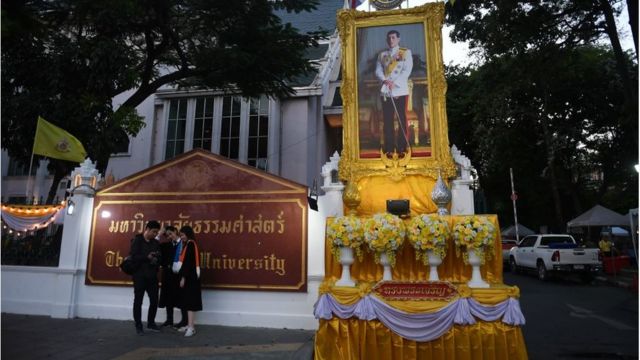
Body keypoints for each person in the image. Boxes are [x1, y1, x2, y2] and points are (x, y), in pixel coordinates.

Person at [375, 29, 413, 157]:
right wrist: (385, 80)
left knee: (401, 118)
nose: (391, 40)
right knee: (388, 120)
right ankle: (389, 147)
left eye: (393, 38)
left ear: (398, 39)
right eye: (389, 38)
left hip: (400, 91)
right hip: (386, 91)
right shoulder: (382, 55)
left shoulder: (405, 53)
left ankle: (402, 147)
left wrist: (394, 83)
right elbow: (378, 70)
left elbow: (406, 71)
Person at [129, 220, 162, 335]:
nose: (155, 234)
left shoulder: (155, 243)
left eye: (157, 232)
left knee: (154, 300)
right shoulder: (137, 240)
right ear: (147, 229)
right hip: (139, 276)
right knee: (138, 301)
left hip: (152, 276)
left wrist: (156, 260)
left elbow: (159, 256)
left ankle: (151, 323)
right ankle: (138, 325)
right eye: (153, 231)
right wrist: (147, 257)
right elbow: (133, 256)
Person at [158, 226, 188, 329]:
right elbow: (154, 245)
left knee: (182, 297)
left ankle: (184, 320)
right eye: (168, 235)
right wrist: (159, 235)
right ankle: (169, 320)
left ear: (176, 232)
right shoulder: (166, 245)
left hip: (179, 275)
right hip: (168, 274)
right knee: (168, 296)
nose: (170, 236)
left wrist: (184, 276)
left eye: (171, 233)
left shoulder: (184, 244)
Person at [176, 225, 202, 337]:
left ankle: (191, 327)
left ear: (188, 234)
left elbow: (187, 263)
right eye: (180, 235)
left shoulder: (191, 245)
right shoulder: (189, 244)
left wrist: (183, 277)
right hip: (190, 278)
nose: (181, 237)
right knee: (187, 301)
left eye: (182, 235)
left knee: (190, 303)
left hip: (190, 279)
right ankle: (188, 324)